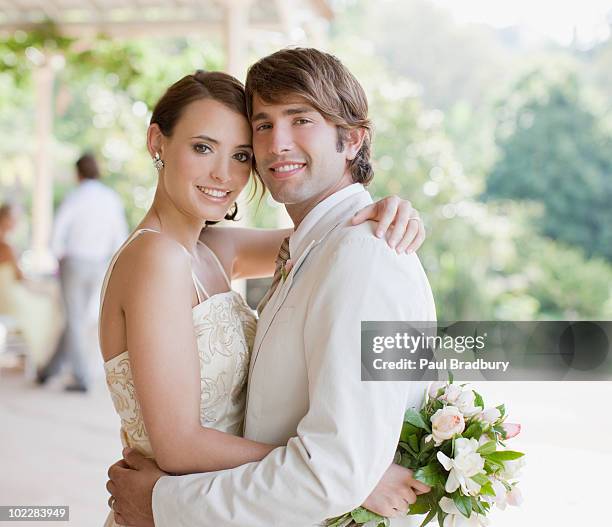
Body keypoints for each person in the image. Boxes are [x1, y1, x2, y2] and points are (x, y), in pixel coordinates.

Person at [105, 52, 433, 527]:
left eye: (238, 154)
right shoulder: (155, 258)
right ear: (157, 140)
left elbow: (323, 237)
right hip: (181, 495)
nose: (224, 173)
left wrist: (393, 209)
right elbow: (179, 444)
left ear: (353, 138)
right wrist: (358, 475)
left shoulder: (216, 247)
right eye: (202, 147)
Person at [37, 153, 128, 392]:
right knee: (79, 320)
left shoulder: (75, 196)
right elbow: (119, 234)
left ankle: (81, 377)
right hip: (99, 262)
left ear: (78, 173)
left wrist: (58, 255)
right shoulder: (110, 198)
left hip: (75, 262)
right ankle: (49, 371)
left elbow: (58, 229)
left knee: (74, 319)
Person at [0, 202, 56, 366]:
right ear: (5, 220)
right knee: (47, 306)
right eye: (14, 219)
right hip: (9, 300)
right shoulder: (7, 247)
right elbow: (20, 278)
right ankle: (42, 359)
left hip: (5, 297)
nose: (16, 223)